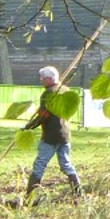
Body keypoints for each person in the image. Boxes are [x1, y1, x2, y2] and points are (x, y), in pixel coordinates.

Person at [24, 65, 83, 196]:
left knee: (40, 164)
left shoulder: (49, 93)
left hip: (51, 136)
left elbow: (44, 115)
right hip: (65, 134)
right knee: (66, 164)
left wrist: (29, 126)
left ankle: (30, 196)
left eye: (43, 78)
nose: (41, 81)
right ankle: (78, 193)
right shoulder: (66, 90)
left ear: (50, 79)